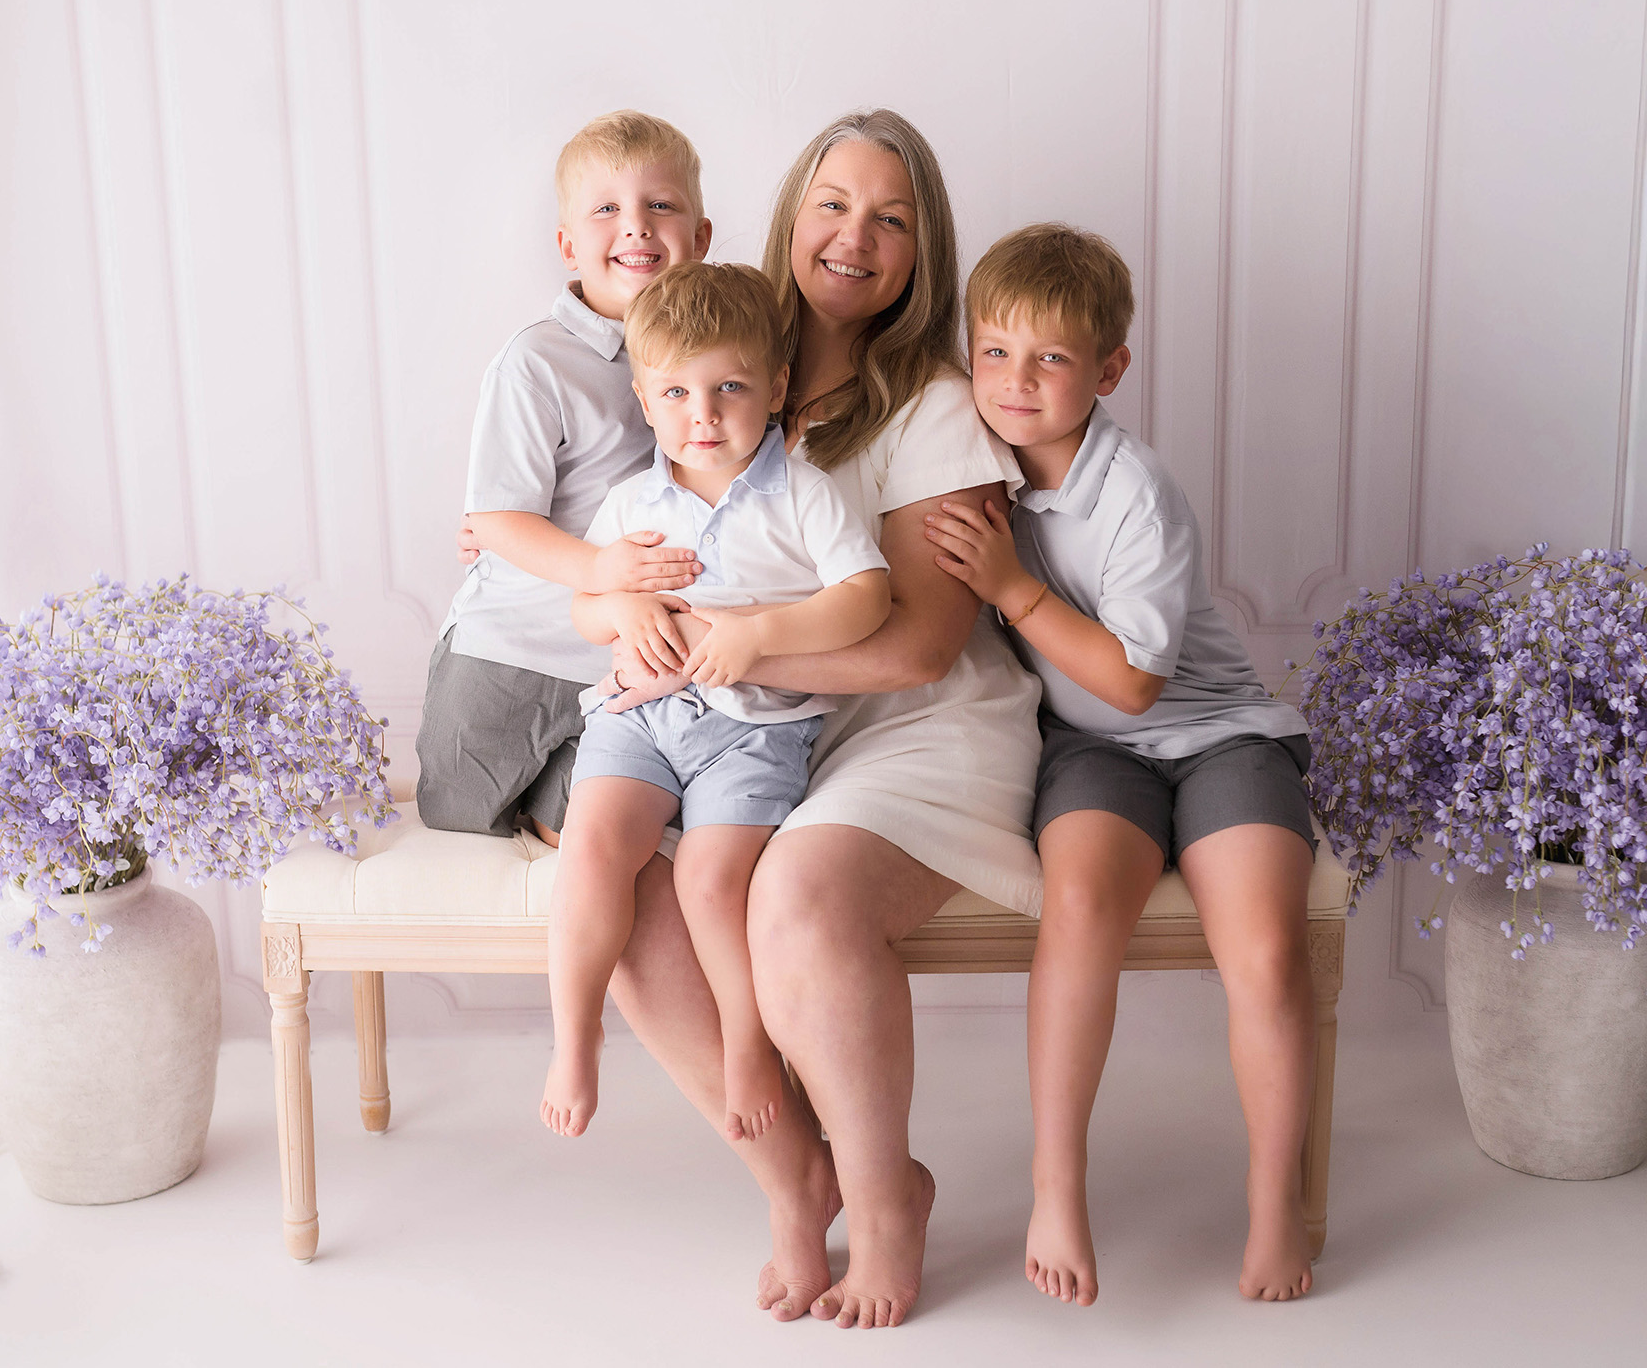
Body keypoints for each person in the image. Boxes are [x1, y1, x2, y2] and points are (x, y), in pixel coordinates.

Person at [599, 112, 1043, 1329]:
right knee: (628, 888)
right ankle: (799, 1184)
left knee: (791, 893)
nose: (855, 236)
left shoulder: (934, 403)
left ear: (921, 251)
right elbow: (637, 538)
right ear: (791, 212)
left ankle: (887, 1208)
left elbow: (916, 643)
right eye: (832, 204)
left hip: (920, 726)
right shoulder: (721, 350)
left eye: (891, 218)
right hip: (766, 723)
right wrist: (627, 611)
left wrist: (739, 639)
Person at [923, 222, 1317, 1305]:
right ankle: (1058, 1181)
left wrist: (1012, 587)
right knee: (1081, 907)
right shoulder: (969, 462)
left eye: (1048, 358)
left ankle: (1274, 1194)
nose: (1015, 380)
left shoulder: (1134, 489)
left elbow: (1138, 681)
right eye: (994, 351)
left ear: (1106, 370)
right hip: (1090, 751)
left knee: (1265, 950)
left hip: (1216, 731)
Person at [541, 261, 890, 1145]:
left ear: (775, 386)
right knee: (593, 843)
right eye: (677, 392)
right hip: (641, 717)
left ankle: (747, 1038)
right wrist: (619, 605)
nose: (703, 414)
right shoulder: (632, 501)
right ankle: (576, 1036)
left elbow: (867, 598)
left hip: (757, 730)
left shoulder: (806, 493)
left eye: (729, 387)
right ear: (645, 399)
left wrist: (764, 633)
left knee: (707, 875)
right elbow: (585, 607)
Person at [416, 111, 710, 840]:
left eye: (661, 206)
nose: (637, 227)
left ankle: (559, 801)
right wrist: (603, 568)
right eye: (607, 209)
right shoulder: (538, 361)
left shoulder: (719, 358)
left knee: (603, 815)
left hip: (621, 664)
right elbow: (498, 519)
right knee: (456, 808)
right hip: (510, 646)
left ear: (701, 238)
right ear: (568, 246)